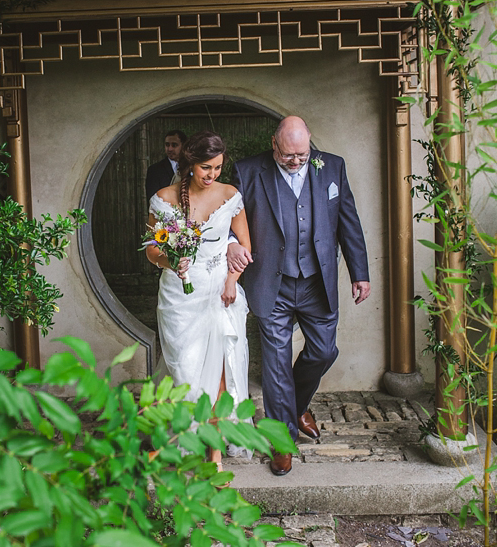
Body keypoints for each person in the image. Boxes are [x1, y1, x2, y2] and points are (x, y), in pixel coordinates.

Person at [228, 116, 370, 477]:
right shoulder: (247, 172)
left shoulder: (332, 166)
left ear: (310, 146)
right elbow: (227, 222)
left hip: (316, 282)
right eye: (289, 155)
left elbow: (348, 222)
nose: (296, 161)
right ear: (274, 144)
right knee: (275, 366)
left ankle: (295, 406)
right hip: (270, 284)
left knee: (324, 351)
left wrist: (360, 274)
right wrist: (232, 247)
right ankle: (281, 441)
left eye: (303, 155)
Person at [145, 131, 252, 471]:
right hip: (180, 294)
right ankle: (184, 440)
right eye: (206, 168)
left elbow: (245, 248)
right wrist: (169, 261)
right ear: (191, 164)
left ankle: (214, 452)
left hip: (221, 291)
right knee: (185, 372)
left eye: (218, 168)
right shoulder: (163, 199)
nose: (212, 175)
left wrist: (232, 281)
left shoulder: (231, 195)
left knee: (221, 371)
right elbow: (151, 250)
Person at [145, 129, 187, 201]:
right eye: (167, 145)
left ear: (183, 146)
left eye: (174, 145)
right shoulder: (155, 170)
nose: (170, 149)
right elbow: (152, 199)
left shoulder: (191, 167)